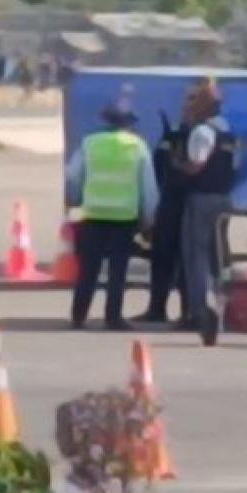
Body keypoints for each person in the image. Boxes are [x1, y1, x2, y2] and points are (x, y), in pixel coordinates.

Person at [65, 101, 159, 330]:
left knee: (89, 268)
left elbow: (73, 177)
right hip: (124, 218)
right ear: (129, 123)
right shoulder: (137, 146)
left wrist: (74, 200)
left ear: (105, 119)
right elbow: (148, 188)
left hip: (93, 214)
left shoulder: (90, 143)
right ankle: (113, 316)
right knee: (118, 270)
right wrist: (148, 220)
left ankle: (78, 315)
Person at [177, 81, 236, 346]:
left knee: (196, 255)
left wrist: (178, 165)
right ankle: (225, 306)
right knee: (219, 256)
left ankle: (201, 312)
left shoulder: (203, 131)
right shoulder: (228, 131)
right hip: (224, 197)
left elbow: (197, 165)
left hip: (201, 198)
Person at [132, 106, 195, 324]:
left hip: (191, 204)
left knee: (189, 261)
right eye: (187, 103)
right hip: (169, 202)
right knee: (161, 258)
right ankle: (157, 309)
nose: (188, 109)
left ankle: (188, 312)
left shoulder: (205, 135)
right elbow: (157, 167)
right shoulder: (173, 135)